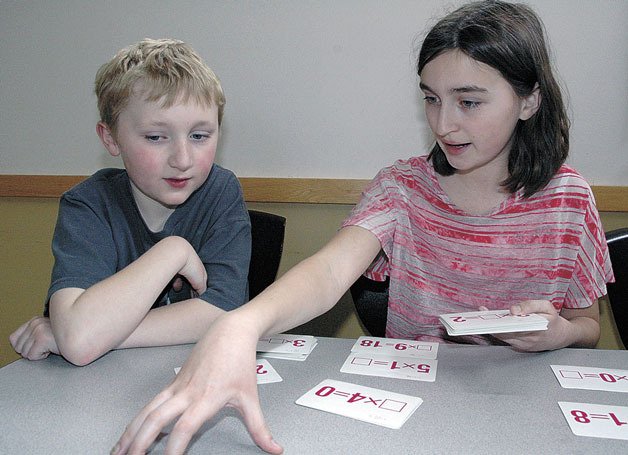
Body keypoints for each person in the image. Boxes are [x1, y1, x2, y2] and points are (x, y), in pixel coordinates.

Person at [111, 2, 614, 454]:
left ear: (528, 101)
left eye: (469, 101)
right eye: (431, 99)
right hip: (412, 409)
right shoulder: (402, 187)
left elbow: (587, 326)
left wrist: (559, 333)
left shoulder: (569, 199)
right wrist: (241, 324)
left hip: (524, 412)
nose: (443, 124)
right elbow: (329, 272)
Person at [9, 38, 251, 367]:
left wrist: (100, 335)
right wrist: (173, 251)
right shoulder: (88, 205)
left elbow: (226, 311)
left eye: (199, 135)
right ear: (111, 138)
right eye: (155, 137)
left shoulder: (221, 191)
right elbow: (81, 341)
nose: (182, 159)